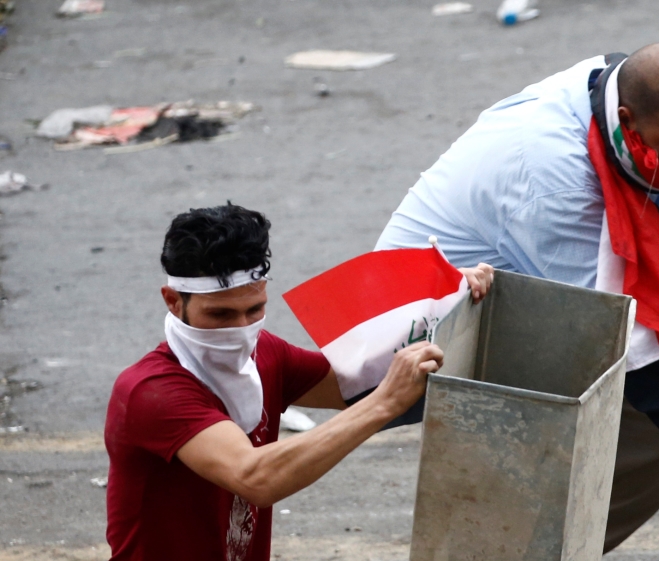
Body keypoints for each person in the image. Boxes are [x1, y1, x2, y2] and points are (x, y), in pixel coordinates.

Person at [376, 43, 659, 551]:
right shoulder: (557, 186)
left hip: (504, 294)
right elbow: (614, 325)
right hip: (427, 331)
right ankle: (518, 548)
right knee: (649, 426)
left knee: (651, 419)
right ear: (627, 120)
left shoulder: (606, 89)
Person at [104, 203, 493, 561]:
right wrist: (384, 403)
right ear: (173, 301)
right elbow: (255, 477)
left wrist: (446, 306)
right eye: (220, 315)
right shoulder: (151, 392)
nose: (241, 329)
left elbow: (356, 385)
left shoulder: (265, 353)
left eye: (254, 310)